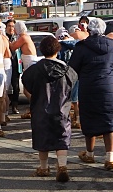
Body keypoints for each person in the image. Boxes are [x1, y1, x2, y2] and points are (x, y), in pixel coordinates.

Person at [68, 17, 113, 171]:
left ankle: (90, 154)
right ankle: (109, 157)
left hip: (88, 87)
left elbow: (73, 66)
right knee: (109, 120)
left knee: (89, 118)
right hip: (108, 88)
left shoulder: (82, 46)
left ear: (89, 30)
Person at [23, 35, 78, 183]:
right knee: (62, 137)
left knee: (42, 137)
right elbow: (72, 85)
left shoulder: (34, 69)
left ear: (41, 49)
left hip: (41, 107)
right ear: (57, 49)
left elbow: (26, 87)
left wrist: (33, 99)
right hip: (62, 108)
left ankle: (43, 167)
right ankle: (62, 166)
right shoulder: (67, 70)